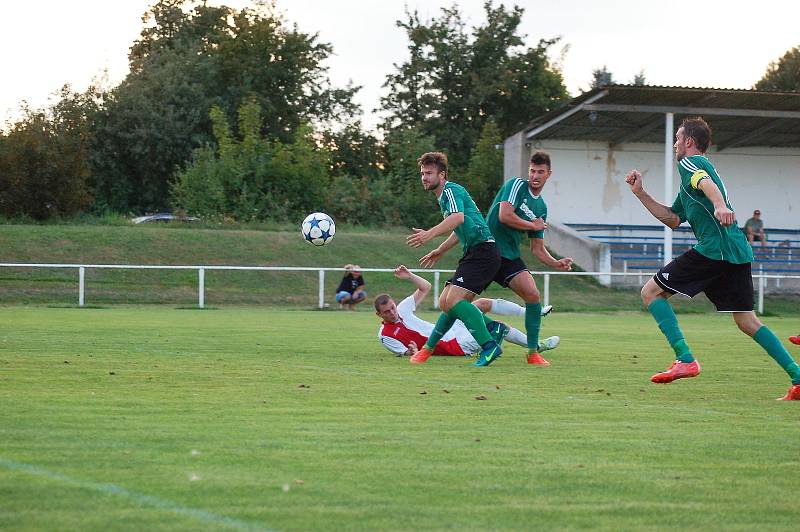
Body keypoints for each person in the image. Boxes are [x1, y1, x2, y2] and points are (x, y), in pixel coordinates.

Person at [624, 116, 800, 401]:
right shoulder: (688, 183)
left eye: (678, 139)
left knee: (651, 292)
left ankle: (685, 359)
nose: (675, 145)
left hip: (714, 249)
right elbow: (672, 219)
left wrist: (719, 205)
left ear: (689, 142)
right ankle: (798, 377)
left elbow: (704, 182)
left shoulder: (691, 164)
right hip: (735, 251)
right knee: (747, 321)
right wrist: (641, 193)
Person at [405, 151, 504, 367]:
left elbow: (457, 218)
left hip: (483, 252)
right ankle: (492, 328)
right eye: (422, 173)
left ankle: (489, 345)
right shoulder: (445, 197)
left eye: (429, 173)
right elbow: (459, 226)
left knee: (453, 302)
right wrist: (440, 250)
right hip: (475, 253)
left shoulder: (450, 190)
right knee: (445, 302)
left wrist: (429, 234)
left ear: (442, 175)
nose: (424, 177)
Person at [485, 151, 574, 366]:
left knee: (533, 296)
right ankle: (429, 348)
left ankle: (533, 353)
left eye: (540, 172)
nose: (535, 175)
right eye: (532, 171)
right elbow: (504, 215)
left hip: (508, 256)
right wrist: (532, 225)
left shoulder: (541, 207)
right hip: (485, 250)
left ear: (548, 174)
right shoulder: (516, 185)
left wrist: (555, 263)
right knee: (455, 303)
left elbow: (537, 248)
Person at [375, 265, 558, 357]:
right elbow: (405, 352)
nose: (393, 312)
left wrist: (409, 276)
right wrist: (412, 352)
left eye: (392, 307)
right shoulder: (386, 335)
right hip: (455, 345)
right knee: (498, 327)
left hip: (452, 329)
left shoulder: (402, 309)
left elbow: (426, 287)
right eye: (387, 312)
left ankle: (533, 312)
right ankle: (536, 346)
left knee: (482, 304)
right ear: (379, 315)